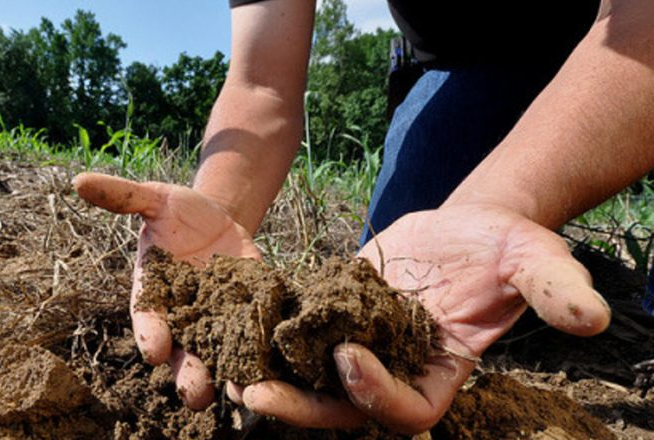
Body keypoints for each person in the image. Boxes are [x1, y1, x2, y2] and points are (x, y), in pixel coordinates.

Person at [73, 0, 654, 434]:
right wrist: (218, 216)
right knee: (405, 268)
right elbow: (263, 82)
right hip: (474, 65)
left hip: (628, 31)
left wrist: (505, 199)